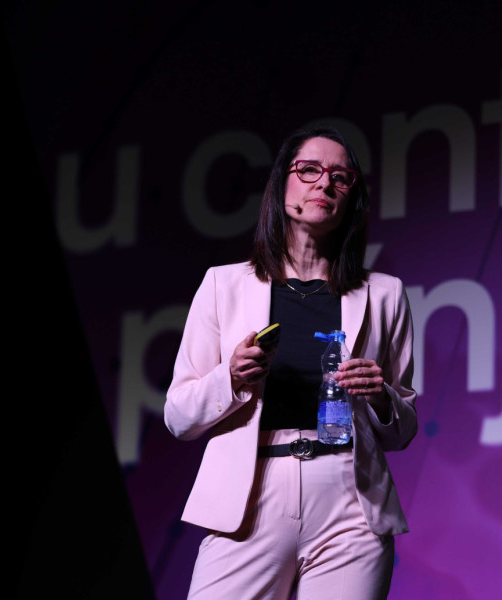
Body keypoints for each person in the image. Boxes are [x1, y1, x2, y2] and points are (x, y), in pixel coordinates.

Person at [164, 125, 418, 599]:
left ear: (352, 198)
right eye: (309, 170)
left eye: (340, 177)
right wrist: (229, 378)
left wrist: (381, 396)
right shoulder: (223, 285)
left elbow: (402, 430)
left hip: (349, 500)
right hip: (248, 498)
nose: (325, 183)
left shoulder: (385, 294)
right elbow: (179, 417)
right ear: (282, 183)